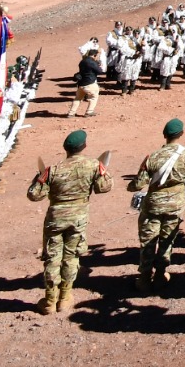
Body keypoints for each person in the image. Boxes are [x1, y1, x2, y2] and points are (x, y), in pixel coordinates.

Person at [27, 129, 110, 315]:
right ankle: (65, 298)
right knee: (71, 256)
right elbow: (104, 188)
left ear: (66, 149)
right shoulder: (93, 165)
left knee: (52, 257)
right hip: (78, 218)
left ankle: (50, 300)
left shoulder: (53, 170)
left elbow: (34, 195)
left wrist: (38, 178)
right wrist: (103, 172)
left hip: (55, 219)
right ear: (84, 146)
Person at [128, 118, 185, 292]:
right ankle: (161, 274)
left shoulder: (153, 156)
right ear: (181, 134)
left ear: (164, 135)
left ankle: (144, 278)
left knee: (148, 240)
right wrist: (182, 188)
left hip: (153, 203)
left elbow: (139, 183)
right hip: (175, 203)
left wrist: (130, 187)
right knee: (167, 238)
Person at [68, 45, 104, 118]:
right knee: (94, 97)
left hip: (81, 84)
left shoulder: (82, 61)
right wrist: (99, 65)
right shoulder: (92, 62)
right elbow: (100, 71)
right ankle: (89, 112)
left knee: (77, 98)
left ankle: (71, 113)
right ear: (94, 55)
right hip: (90, 83)